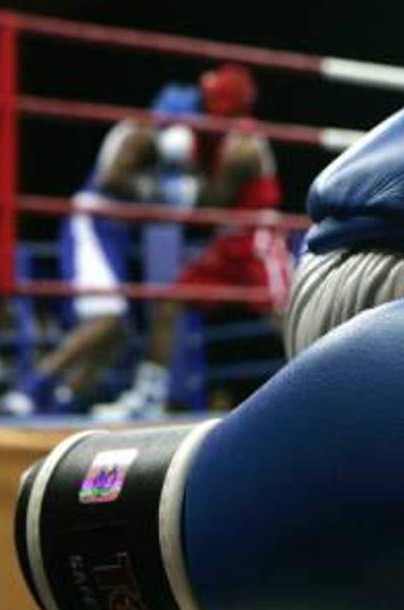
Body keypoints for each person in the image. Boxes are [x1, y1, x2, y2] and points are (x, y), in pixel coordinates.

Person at [94, 64, 290, 420]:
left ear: (221, 102)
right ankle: (148, 398)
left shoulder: (243, 147)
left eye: (208, 96)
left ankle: (330, 380)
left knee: (286, 314)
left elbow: (212, 202)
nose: (200, 101)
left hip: (257, 239)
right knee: (170, 302)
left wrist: (175, 186)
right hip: (226, 241)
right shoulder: (210, 136)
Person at [0, 116, 198, 416]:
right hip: (93, 226)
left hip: (111, 233)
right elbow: (110, 178)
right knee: (107, 319)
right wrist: (157, 192)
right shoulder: (139, 136)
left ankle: (63, 403)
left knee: (118, 333)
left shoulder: (147, 148)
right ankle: (27, 392)